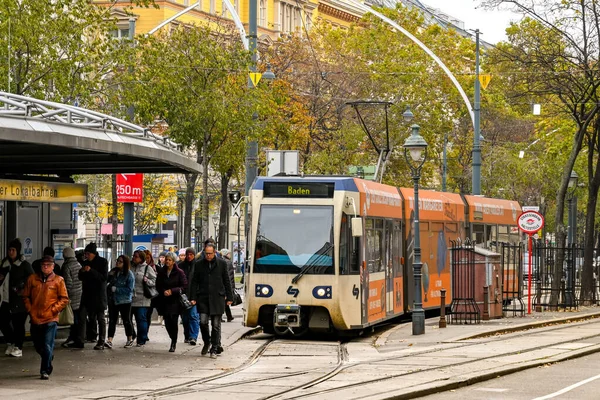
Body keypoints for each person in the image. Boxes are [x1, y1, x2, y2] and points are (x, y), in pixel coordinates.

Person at [23, 255, 69, 380]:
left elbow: (64, 299)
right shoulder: (32, 279)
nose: (45, 267)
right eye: (43, 265)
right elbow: (25, 296)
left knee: (48, 345)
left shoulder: (59, 280)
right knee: (38, 345)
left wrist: (54, 310)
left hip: (50, 319)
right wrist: (30, 310)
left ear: (53, 266)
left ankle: (45, 370)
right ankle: (48, 357)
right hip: (35, 317)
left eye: (48, 265)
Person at [189, 243, 233, 359]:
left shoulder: (221, 263)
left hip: (217, 298)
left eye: (210, 253)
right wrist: (193, 297)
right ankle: (207, 341)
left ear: (215, 253)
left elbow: (226, 280)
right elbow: (194, 282)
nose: (208, 256)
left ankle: (214, 347)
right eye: (206, 253)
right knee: (203, 322)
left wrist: (230, 297)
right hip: (203, 297)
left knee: (215, 325)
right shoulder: (199, 264)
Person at [0, 238, 34, 358]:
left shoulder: (24, 265)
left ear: (18, 251)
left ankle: (18, 347)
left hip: (19, 300)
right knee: (3, 322)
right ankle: (11, 342)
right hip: (5, 299)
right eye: (9, 250)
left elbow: (32, 280)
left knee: (18, 324)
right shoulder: (5, 263)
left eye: (13, 250)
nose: (11, 252)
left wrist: (21, 285)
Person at [77, 242, 108, 350]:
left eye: (88, 254)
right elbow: (80, 277)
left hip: (98, 295)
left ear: (93, 254)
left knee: (100, 318)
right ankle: (80, 340)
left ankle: (101, 341)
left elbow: (104, 278)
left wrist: (91, 271)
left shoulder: (103, 262)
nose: (86, 256)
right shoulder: (84, 263)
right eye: (85, 254)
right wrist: (82, 271)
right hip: (87, 294)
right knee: (81, 316)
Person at [156, 252, 187, 352]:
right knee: (167, 322)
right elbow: (158, 284)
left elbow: (184, 286)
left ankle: (174, 341)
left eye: (169, 260)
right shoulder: (161, 271)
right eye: (166, 259)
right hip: (164, 300)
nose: (167, 262)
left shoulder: (179, 272)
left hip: (175, 301)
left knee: (173, 321)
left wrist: (173, 291)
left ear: (173, 261)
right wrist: (163, 291)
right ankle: (171, 336)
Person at [106, 255, 135, 349]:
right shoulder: (113, 272)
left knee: (126, 320)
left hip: (124, 301)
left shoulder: (129, 274)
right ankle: (109, 340)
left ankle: (130, 338)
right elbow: (107, 281)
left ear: (125, 263)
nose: (117, 262)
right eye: (117, 260)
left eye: (120, 261)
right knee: (112, 320)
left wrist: (117, 289)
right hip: (113, 300)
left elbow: (130, 289)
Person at [131, 250, 156, 347]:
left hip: (143, 298)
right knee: (128, 319)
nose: (134, 258)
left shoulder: (147, 268)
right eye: (133, 256)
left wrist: (147, 281)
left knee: (141, 319)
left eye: (136, 256)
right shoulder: (131, 267)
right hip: (131, 297)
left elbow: (154, 281)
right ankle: (133, 335)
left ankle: (141, 339)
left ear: (141, 258)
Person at [60, 247, 83, 348]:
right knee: (77, 317)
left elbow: (68, 283)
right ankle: (77, 338)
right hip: (79, 293)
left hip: (72, 295)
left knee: (73, 318)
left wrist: (65, 295)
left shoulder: (67, 266)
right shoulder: (78, 264)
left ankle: (75, 339)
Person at [178, 247, 199, 345]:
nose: (189, 256)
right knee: (185, 318)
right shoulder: (181, 266)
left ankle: (193, 337)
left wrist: (195, 297)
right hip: (183, 296)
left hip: (194, 295)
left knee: (193, 316)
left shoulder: (198, 265)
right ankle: (187, 335)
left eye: (191, 254)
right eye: (188, 254)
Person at [220, 248, 236, 322]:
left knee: (225, 302)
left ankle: (229, 316)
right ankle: (221, 317)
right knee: (224, 302)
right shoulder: (228, 262)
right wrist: (229, 286)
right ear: (226, 254)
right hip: (227, 284)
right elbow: (229, 275)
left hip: (226, 284)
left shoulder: (222, 261)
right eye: (229, 253)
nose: (230, 255)